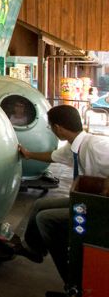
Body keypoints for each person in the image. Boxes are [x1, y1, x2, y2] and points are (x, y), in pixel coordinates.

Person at [17, 104, 109, 281]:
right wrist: (28, 154)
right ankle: (34, 249)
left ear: (58, 128)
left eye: (50, 126)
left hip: (101, 205)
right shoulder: (74, 146)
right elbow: (53, 156)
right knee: (40, 205)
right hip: (86, 200)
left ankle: (71, 277)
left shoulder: (95, 145)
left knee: (45, 219)